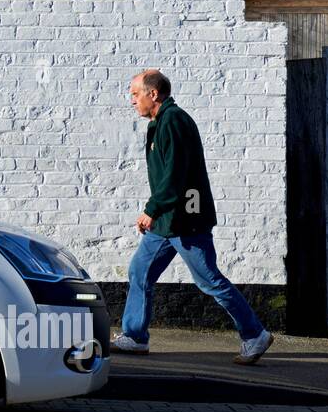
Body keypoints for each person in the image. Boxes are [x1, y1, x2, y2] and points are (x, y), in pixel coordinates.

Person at [111, 70, 273, 365]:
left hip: (186, 220)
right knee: (139, 271)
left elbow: (175, 175)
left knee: (209, 280)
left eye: (135, 94)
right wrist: (157, 213)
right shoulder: (162, 122)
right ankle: (134, 336)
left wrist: (151, 209)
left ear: (153, 94)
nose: (131, 100)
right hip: (168, 223)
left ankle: (254, 334)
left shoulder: (173, 121)